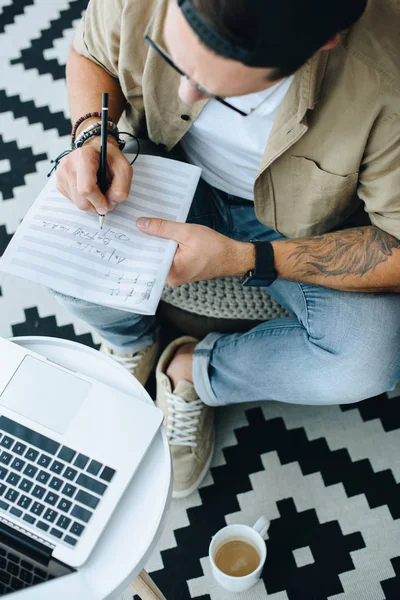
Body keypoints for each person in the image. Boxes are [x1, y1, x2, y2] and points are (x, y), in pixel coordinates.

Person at [55, 0, 400, 498]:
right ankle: (133, 341)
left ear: (325, 42)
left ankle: (192, 367)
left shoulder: (386, 78)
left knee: (369, 359)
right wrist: (94, 135)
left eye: (222, 93)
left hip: (309, 227)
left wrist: (247, 258)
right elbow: (90, 53)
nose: (184, 92)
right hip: (166, 168)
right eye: (171, 55)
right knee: (66, 237)